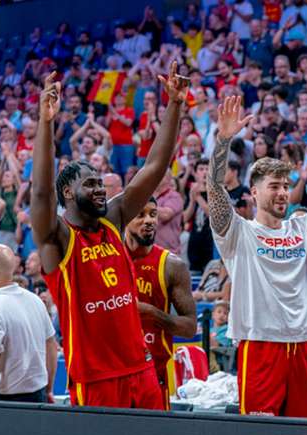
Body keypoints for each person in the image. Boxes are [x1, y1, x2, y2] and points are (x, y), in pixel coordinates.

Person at [31, 65, 187, 409]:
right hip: (96, 378)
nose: (100, 188)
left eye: (100, 182)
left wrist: (175, 105)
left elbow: (154, 168)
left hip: (141, 367)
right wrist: (45, 124)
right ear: (68, 193)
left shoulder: (113, 221)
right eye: (90, 183)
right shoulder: (58, 240)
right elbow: (41, 194)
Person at [207, 95, 307, 418]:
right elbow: (216, 192)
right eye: (274, 186)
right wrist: (223, 141)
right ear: (254, 193)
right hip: (260, 345)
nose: (281, 193)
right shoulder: (239, 232)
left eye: (285, 186)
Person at [125, 199, 198, 406]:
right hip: (115, 374)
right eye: (140, 215)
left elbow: (190, 327)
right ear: (125, 218)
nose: (149, 221)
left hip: (154, 376)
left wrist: (153, 313)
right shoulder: (108, 259)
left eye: (153, 214)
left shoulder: (172, 265)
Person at [0, 244, 56, 403]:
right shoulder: (34, 300)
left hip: (6, 403)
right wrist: (49, 388)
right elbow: (50, 345)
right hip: (38, 396)